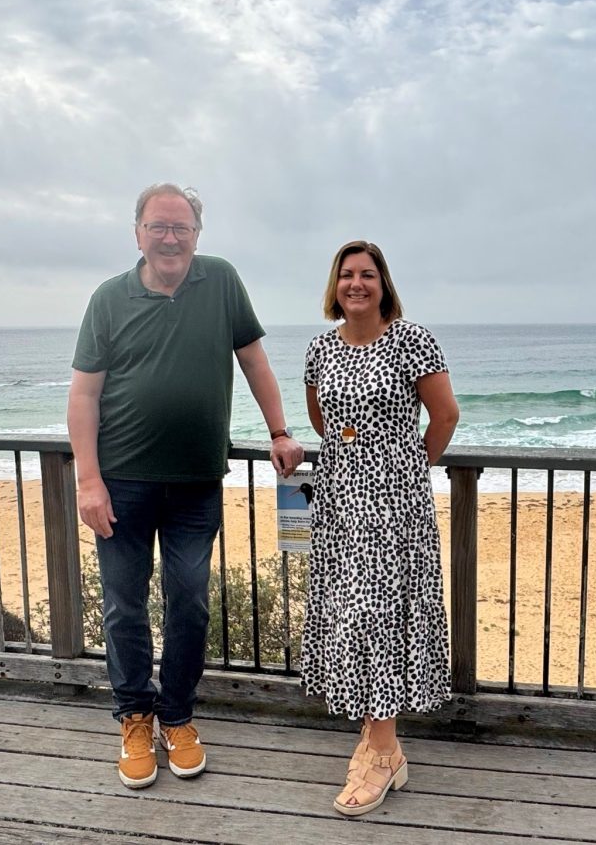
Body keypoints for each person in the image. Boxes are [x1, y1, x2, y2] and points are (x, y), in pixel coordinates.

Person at [67, 183, 304, 789]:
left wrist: (280, 431)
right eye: (158, 226)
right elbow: (84, 393)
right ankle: (134, 717)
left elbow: (254, 361)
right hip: (121, 482)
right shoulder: (108, 299)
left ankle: (176, 716)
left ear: (198, 234)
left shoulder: (220, 280)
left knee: (190, 602)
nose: (170, 238)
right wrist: (88, 480)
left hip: (196, 482)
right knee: (124, 606)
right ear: (137, 232)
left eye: (182, 228)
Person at [301, 240, 460, 816]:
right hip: (340, 498)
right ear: (335, 285)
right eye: (347, 275)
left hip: (395, 502)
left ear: (383, 283)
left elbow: (445, 416)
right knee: (350, 611)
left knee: (380, 614)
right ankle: (377, 740)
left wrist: (409, 465)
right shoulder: (322, 347)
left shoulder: (412, 339)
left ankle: (384, 752)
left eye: (367, 274)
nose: (356, 284)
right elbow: (323, 420)